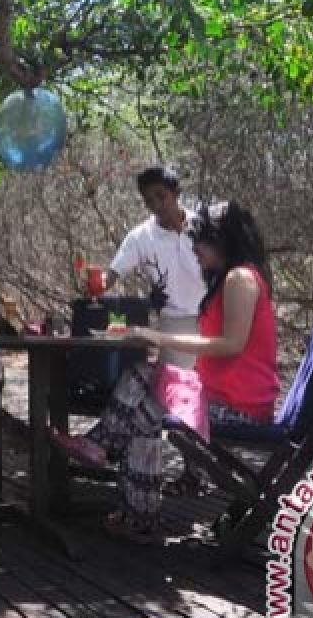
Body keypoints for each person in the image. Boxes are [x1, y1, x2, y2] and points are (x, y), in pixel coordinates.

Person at [52, 201, 280, 544]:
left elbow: (231, 344)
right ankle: (119, 483)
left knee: (145, 404)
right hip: (218, 393)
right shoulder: (231, 278)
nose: (195, 250)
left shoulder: (241, 278)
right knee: (145, 376)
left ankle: (124, 490)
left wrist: (156, 336)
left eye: (199, 241)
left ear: (221, 240)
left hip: (239, 406)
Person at [105, 166, 205, 368]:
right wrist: (95, 281)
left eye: (161, 196)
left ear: (176, 193)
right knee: (180, 388)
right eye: (149, 201)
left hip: (211, 317)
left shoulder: (202, 226)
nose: (157, 205)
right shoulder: (141, 236)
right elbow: (112, 274)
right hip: (174, 323)